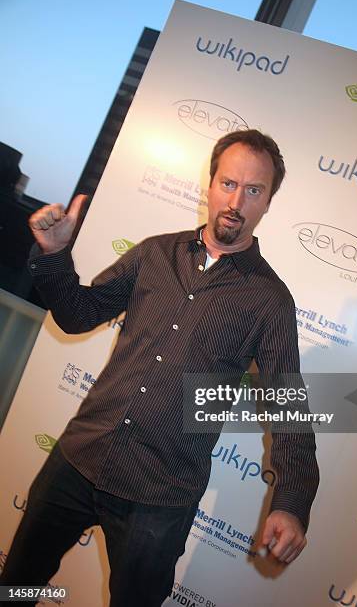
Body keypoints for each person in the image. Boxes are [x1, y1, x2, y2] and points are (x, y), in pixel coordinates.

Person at [0, 130, 319, 606]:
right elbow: (77, 314)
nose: (236, 201)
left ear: (269, 202)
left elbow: (287, 407)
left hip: (159, 496)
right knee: (17, 586)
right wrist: (54, 255)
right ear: (210, 185)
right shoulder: (154, 253)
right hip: (81, 456)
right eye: (229, 183)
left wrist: (291, 504)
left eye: (254, 191)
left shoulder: (269, 301)